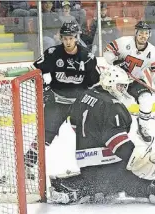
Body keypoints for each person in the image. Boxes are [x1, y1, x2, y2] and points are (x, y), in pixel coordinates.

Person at [48, 65, 155, 206]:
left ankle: (76, 187)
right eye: (120, 86)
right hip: (109, 170)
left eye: (124, 86)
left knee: (100, 180)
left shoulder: (85, 95)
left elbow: (75, 123)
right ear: (109, 82)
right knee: (144, 182)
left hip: (85, 166)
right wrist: (142, 163)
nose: (123, 90)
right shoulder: (112, 106)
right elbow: (119, 146)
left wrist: (96, 136)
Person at [24, 21, 100, 176]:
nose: (68, 41)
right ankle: (26, 165)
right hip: (56, 101)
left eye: (71, 38)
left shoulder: (87, 57)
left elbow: (95, 82)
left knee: (87, 134)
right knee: (44, 134)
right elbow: (33, 71)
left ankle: (93, 168)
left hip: (79, 104)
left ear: (76, 38)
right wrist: (43, 87)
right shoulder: (53, 53)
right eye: (65, 38)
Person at [103, 21, 155, 143]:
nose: (143, 36)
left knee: (146, 98)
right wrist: (115, 61)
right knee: (122, 104)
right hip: (117, 78)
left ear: (149, 35)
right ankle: (109, 129)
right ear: (136, 33)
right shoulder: (124, 41)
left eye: (146, 33)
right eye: (140, 33)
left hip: (134, 79)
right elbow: (107, 51)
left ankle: (143, 127)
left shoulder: (154, 52)